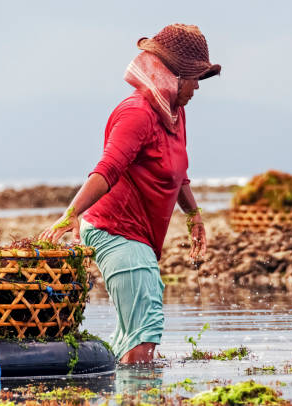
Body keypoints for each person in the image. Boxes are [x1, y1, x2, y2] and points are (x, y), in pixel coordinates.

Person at [39, 24, 220, 364]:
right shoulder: (137, 113)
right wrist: (71, 212)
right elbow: (108, 168)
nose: (197, 86)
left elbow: (177, 173)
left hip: (139, 237)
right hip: (116, 230)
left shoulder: (174, 114)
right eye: (194, 77)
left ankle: (119, 388)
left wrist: (194, 216)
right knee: (145, 331)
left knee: (132, 334)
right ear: (171, 75)